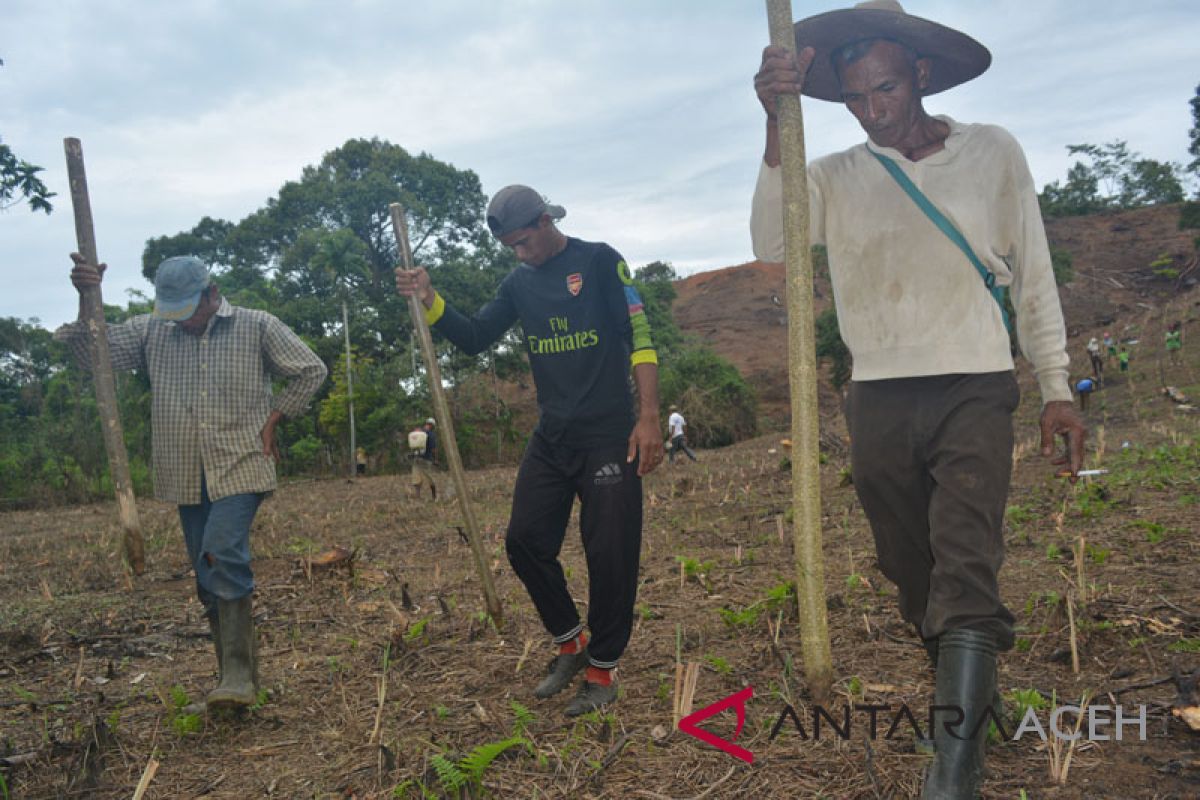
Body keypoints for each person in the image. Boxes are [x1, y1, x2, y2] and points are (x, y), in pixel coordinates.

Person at [750, 2, 1086, 795]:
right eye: (857, 98)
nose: (872, 111)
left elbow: (1032, 273)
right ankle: (970, 708)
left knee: (966, 561)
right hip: (877, 398)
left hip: (972, 382)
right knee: (913, 572)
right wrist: (773, 123)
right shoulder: (833, 175)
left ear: (922, 75)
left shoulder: (991, 152)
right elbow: (773, 242)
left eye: (887, 91)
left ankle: (954, 771)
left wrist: (1056, 387)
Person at [395, 184, 662, 716]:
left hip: (609, 435)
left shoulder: (601, 262)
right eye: (510, 247)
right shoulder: (518, 283)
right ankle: (570, 641)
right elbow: (474, 336)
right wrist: (429, 298)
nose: (520, 254)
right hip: (553, 436)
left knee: (610, 554)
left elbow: (641, 336)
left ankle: (602, 668)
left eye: (524, 242)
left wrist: (649, 417)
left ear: (545, 221)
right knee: (523, 541)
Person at [57, 254, 327, 710]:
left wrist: (275, 417)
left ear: (212, 294)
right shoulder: (151, 331)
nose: (182, 323)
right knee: (206, 572)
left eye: (190, 312)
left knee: (222, 553)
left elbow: (311, 369)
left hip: (242, 462)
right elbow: (89, 355)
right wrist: (89, 297)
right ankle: (235, 683)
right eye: (174, 314)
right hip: (185, 471)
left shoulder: (255, 325)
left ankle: (239, 678)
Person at [408, 418, 437, 500]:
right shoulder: (431, 434)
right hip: (426, 459)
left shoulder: (418, 432)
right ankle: (434, 496)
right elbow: (433, 449)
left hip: (417, 458)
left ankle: (418, 496)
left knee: (416, 477)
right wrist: (435, 460)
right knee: (430, 477)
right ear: (432, 426)